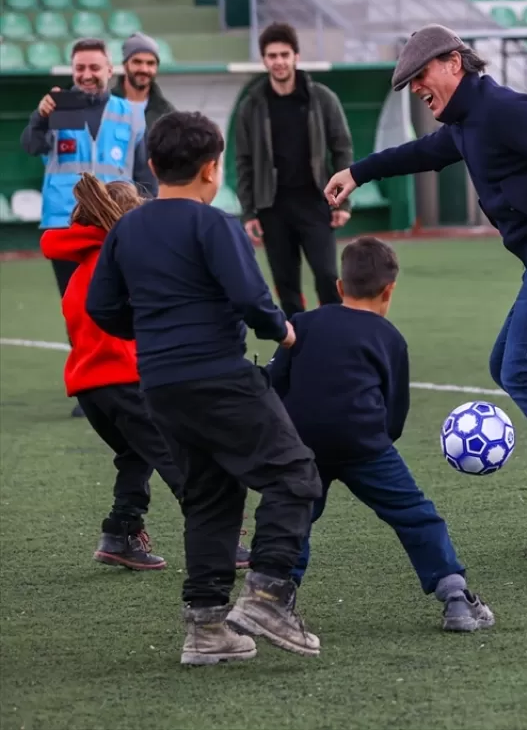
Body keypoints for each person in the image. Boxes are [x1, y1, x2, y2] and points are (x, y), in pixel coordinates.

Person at [323, 24, 527, 563]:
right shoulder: (468, 122)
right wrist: (357, 172)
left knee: (522, 370)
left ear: (454, 62)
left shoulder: (504, 109)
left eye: (421, 76)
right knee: (507, 364)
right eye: (410, 84)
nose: (418, 89)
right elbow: (422, 153)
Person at [86, 110, 323, 665]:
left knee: (210, 498)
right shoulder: (214, 224)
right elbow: (248, 294)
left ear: (152, 165)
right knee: (294, 475)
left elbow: (102, 306)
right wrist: (279, 328)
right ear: (213, 169)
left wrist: (150, 331)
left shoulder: (125, 228)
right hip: (218, 374)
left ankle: (207, 627)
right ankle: (267, 594)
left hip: (161, 386)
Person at [266, 236, 494, 632]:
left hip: (303, 445)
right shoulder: (390, 339)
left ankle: (275, 596)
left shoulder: (302, 323)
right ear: (390, 289)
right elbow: (395, 411)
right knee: (415, 515)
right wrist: (377, 441)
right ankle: (455, 597)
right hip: (364, 444)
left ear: (338, 287)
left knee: (294, 517)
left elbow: (274, 384)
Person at [40, 174, 252, 571]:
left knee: (136, 455)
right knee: (182, 462)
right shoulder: (121, 264)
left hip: (92, 391)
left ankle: (120, 531)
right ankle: (221, 540)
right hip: (125, 382)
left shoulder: (85, 264)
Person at [20, 36, 155, 418]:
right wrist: (39, 117)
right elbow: (31, 146)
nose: (87, 75)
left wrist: (150, 213)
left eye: (95, 67)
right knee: (76, 307)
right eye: (80, 68)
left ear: (110, 70)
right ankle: (88, 386)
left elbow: (144, 170)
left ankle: (133, 377)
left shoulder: (131, 112)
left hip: (119, 223)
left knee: (128, 301)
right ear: (72, 70)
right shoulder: (56, 109)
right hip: (66, 224)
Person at [235, 21, 355, 317]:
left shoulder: (322, 99)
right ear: (264, 60)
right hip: (272, 206)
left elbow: (342, 149)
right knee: (285, 286)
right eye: (272, 56)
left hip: (315, 202)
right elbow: (244, 161)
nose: (279, 62)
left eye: (284, 55)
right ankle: (296, 347)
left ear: (296, 57)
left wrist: (343, 200)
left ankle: (334, 340)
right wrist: (249, 211)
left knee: (328, 277)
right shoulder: (252, 105)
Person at [111, 32, 174, 136]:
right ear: (125, 65)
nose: (144, 69)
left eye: (150, 63)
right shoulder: (105, 106)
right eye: (137, 62)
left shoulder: (167, 113)